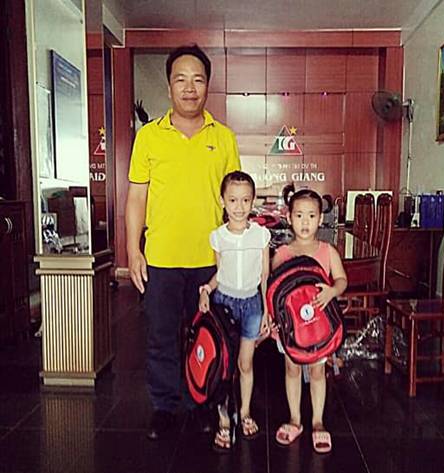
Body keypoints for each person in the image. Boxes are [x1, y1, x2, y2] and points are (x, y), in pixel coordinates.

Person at [125, 44, 241, 440]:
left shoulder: (223, 138)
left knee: (205, 335)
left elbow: (235, 199)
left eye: (198, 80)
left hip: (209, 261)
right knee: (161, 337)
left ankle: (200, 404)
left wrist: (235, 252)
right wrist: (133, 251)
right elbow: (136, 197)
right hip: (161, 258)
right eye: (181, 79)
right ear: (169, 85)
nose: (190, 88)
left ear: (207, 85)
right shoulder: (149, 137)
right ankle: (164, 407)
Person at [198, 171, 271, 451]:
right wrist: (206, 290)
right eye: (233, 200)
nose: (239, 207)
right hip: (224, 305)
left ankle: (245, 412)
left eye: (245, 200)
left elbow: (264, 276)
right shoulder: (218, 237)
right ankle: (224, 419)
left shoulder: (261, 235)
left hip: (252, 305)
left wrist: (266, 311)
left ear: (253, 201)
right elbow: (221, 273)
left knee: (245, 364)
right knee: (224, 368)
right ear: (222, 201)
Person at [271, 189, 347, 454]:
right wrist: (273, 320)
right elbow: (274, 292)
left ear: (321, 219)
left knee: (317, 372)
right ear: (289, 217)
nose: (305, 222)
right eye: (299, 215)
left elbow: (342, 280)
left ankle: (317, 421)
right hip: (291, 328)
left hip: (319, 327)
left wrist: (332, 291)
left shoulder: (327, 251)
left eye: (311, 216)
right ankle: (295, 419)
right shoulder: (282, 253)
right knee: (291, 369)